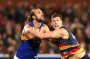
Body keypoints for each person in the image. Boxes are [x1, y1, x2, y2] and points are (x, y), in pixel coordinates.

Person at [25, 13, 90, 59]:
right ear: (51, 23)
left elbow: (41, 36)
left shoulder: (61, 31)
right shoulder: (55, 35)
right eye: (54, 21)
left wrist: (28, 29)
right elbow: (43, 37)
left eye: (58, 20)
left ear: (61, 22)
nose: (56, 22)